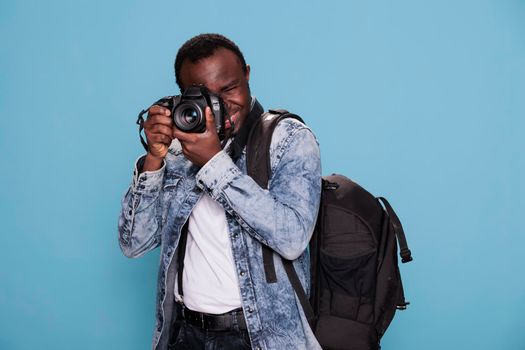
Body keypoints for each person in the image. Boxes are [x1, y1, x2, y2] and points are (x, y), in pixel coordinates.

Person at [118, 33, 322, 350]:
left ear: (247, 75)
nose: (221, 104)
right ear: (183, 95)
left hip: (260, 337)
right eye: (204, 95)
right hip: (185, 333)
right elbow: (134, 243)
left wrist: (213, 163)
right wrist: (154, 159)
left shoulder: (287, 139)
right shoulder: (175, 150)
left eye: (229, 88)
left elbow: (292, 237)